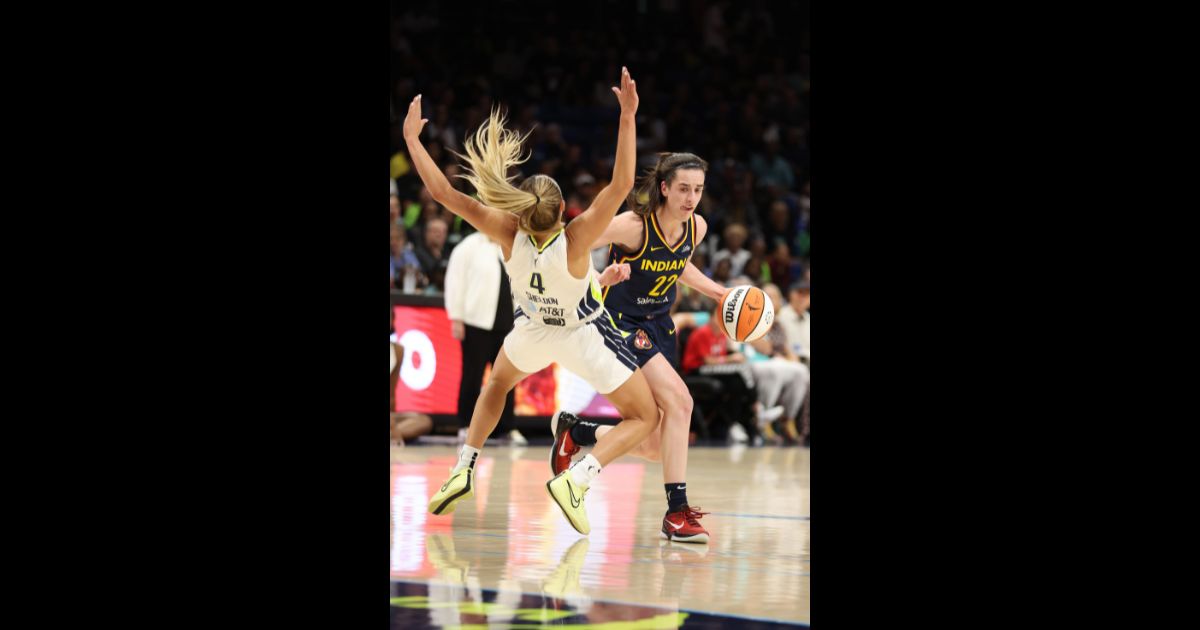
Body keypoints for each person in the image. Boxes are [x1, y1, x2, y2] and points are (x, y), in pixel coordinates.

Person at [405, 68, 657, 535]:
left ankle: (464, 466)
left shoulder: (505, 231)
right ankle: (579, 477)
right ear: (564, 211)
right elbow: (622, 184)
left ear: (521, 207)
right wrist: (627, 116)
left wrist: (412, 141)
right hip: (583, 336)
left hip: (532, 331)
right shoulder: (578, 237)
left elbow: (442, 193)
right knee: (646, 417)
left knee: (496, 385)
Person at [550, 151, 734, 543]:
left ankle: (577, 432)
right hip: (620, 322)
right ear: (664, 188)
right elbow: (574, 243)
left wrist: (720, 293)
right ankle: (676, 511)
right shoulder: (632, 226)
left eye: (698, 190)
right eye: (683, 189)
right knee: (682, 402)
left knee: (651, 445)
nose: (691, 198)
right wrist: (600, 278)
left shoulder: (695, 227)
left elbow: (677, 263)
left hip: (658, 326)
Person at [443, 230, 523, 445]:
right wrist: (456, 317)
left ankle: (506, 428)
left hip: (507, 324)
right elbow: (454, 282)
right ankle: (465, 425)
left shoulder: (510, 246)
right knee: (472, 375)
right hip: (476, 323)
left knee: (507, 378)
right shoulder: (468, 246)